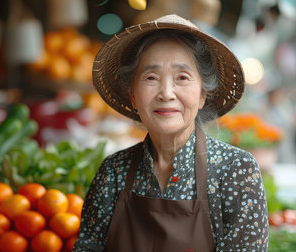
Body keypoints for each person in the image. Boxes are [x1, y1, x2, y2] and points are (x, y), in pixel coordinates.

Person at [73, 14, 269, 251]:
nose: (166, 93)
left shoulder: (236, 172)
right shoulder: (113, 173)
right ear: (133, 96)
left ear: (202, 95)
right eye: (151, 77)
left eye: (182, 78)